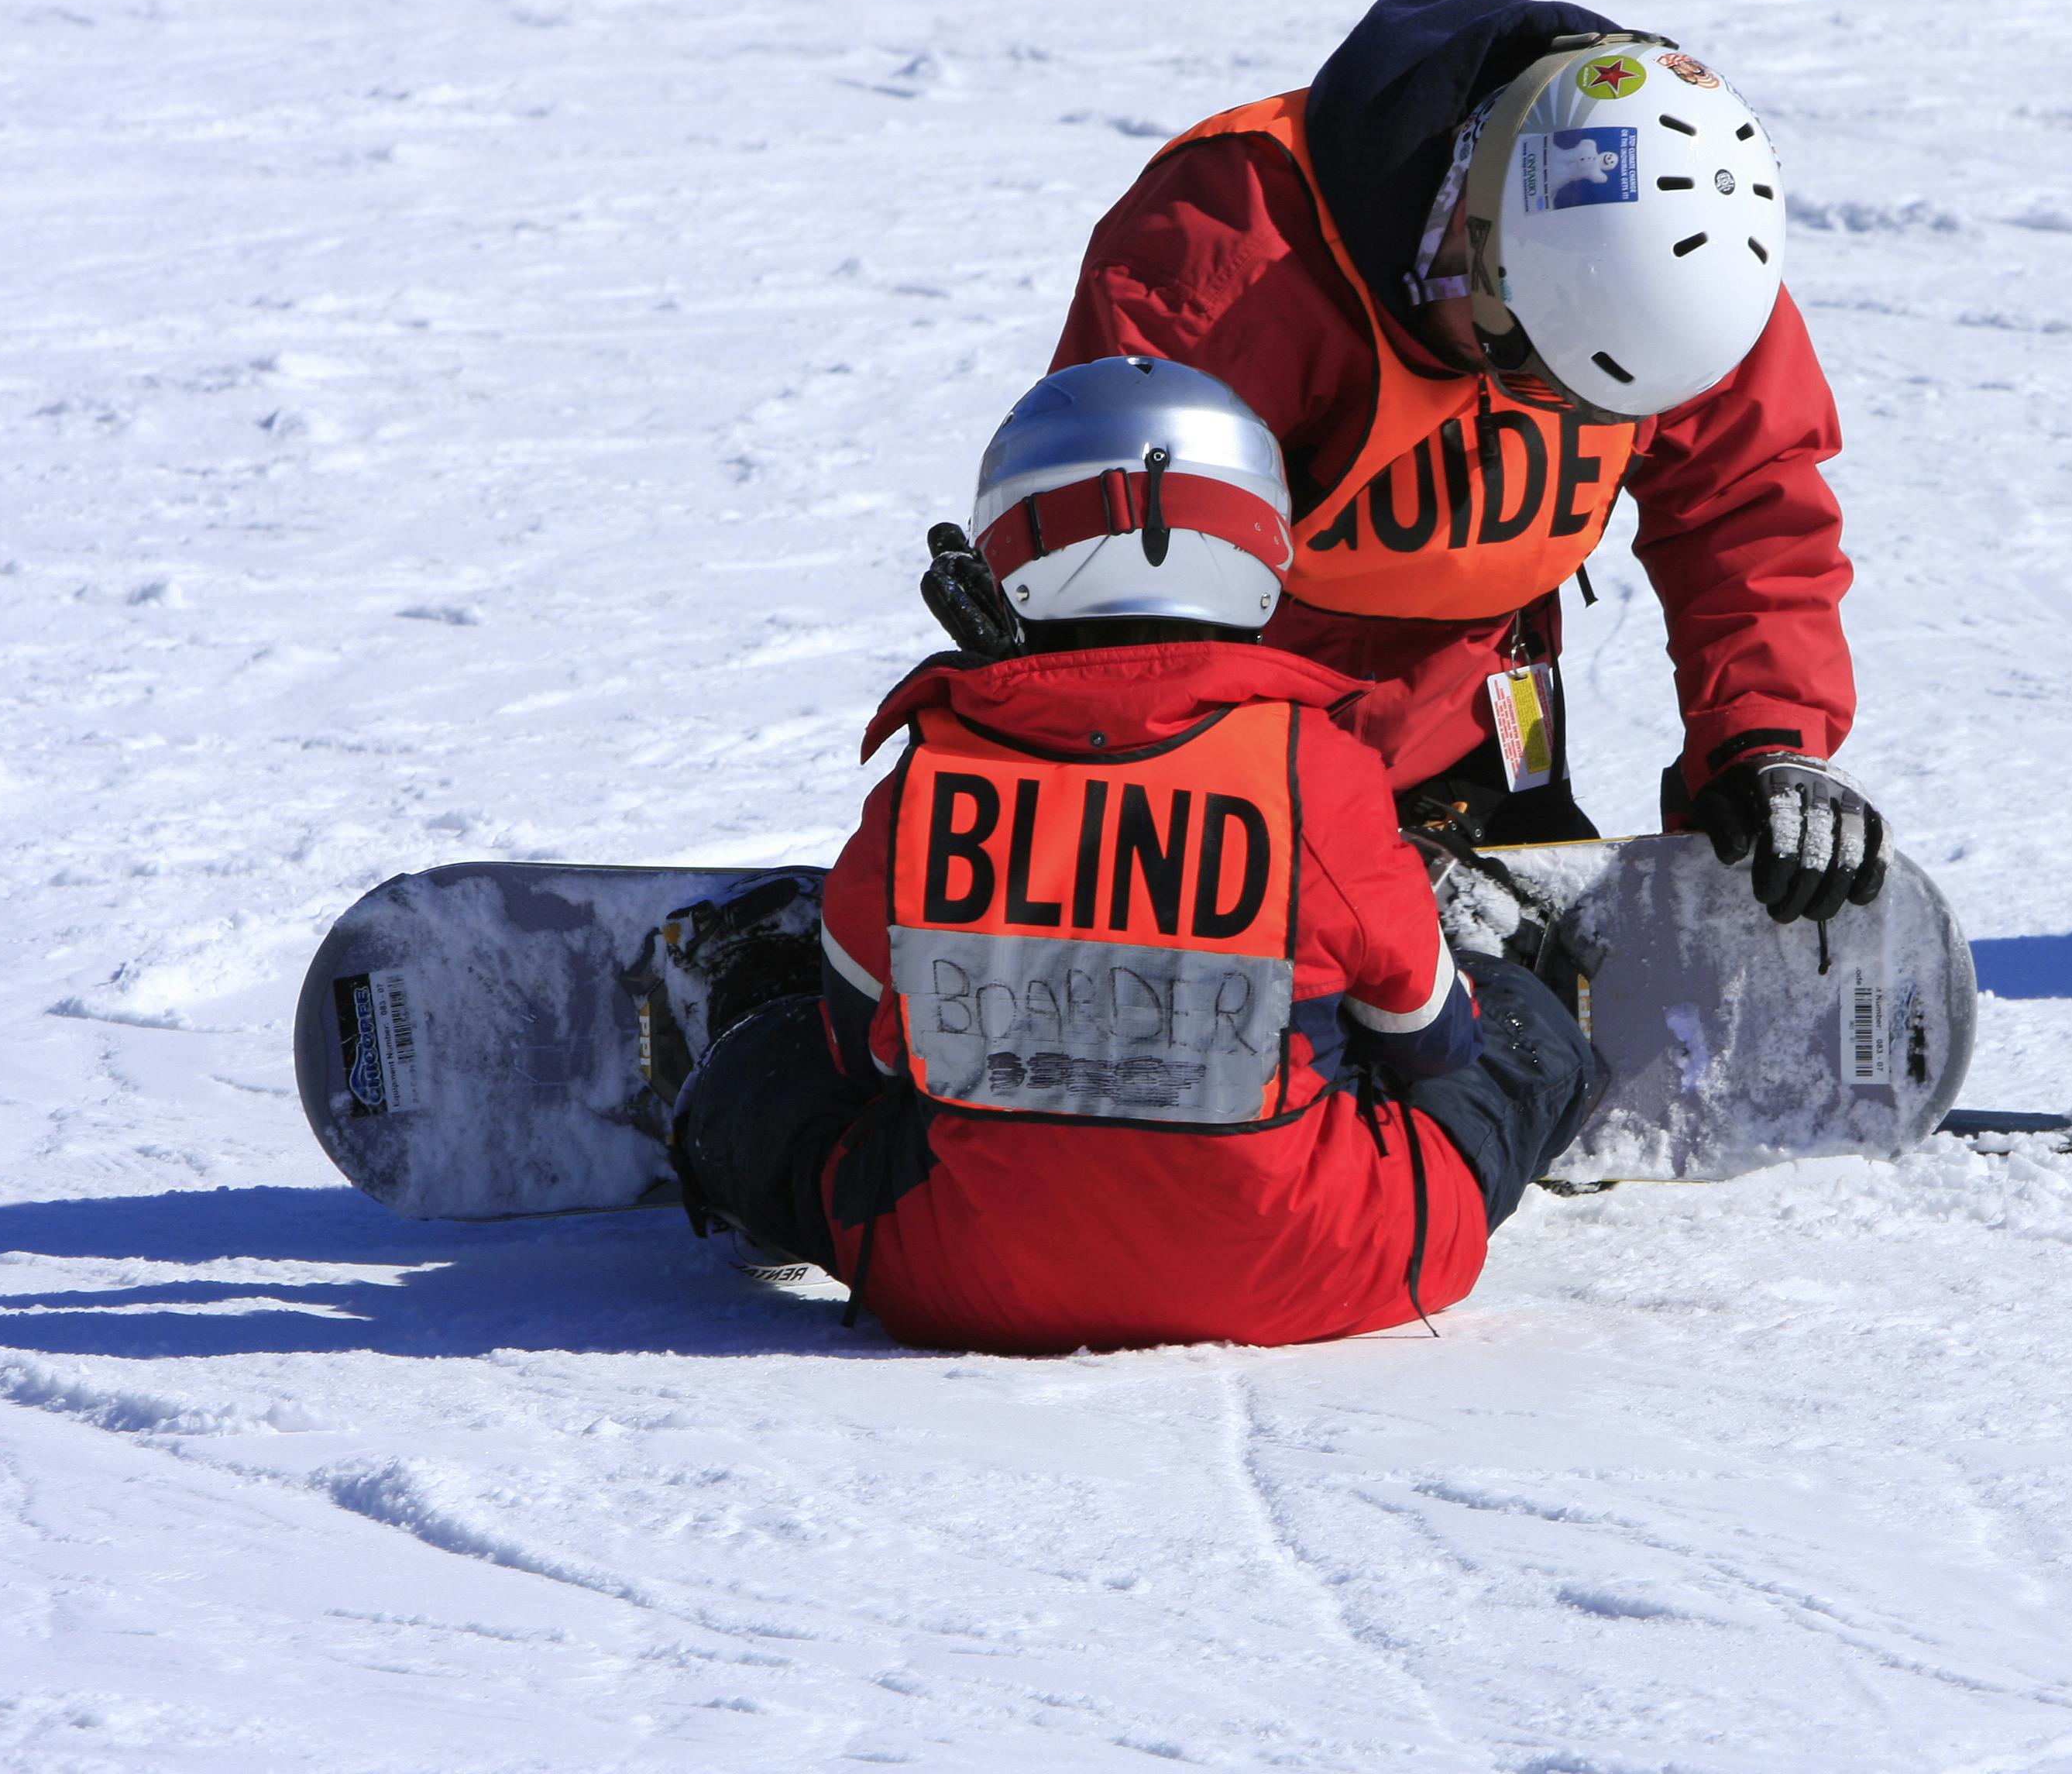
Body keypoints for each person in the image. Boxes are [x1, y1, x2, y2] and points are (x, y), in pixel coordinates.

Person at [671, 356, 1595, 1354]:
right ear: (1258, 539)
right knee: (1510, 1028)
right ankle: (1478, 944)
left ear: (1005, 543)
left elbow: (865, 1052)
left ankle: (739, 1024)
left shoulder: (928, 780)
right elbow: (1434, 1047)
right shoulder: (1317, 774)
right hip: (1320, 1266)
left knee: (779, 1059)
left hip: (965, 1277)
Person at [1051, 0, 1888, 927]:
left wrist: (1767, 740)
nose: (1557, 415)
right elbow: (1131, 596)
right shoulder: (1234, 246)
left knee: (1550, 1018)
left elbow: (1747, 501)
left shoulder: (1680, 258)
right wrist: (1332, 854)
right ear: (1469, 237)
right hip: (1239, 754)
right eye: (1529, 370)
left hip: (1484, 725)